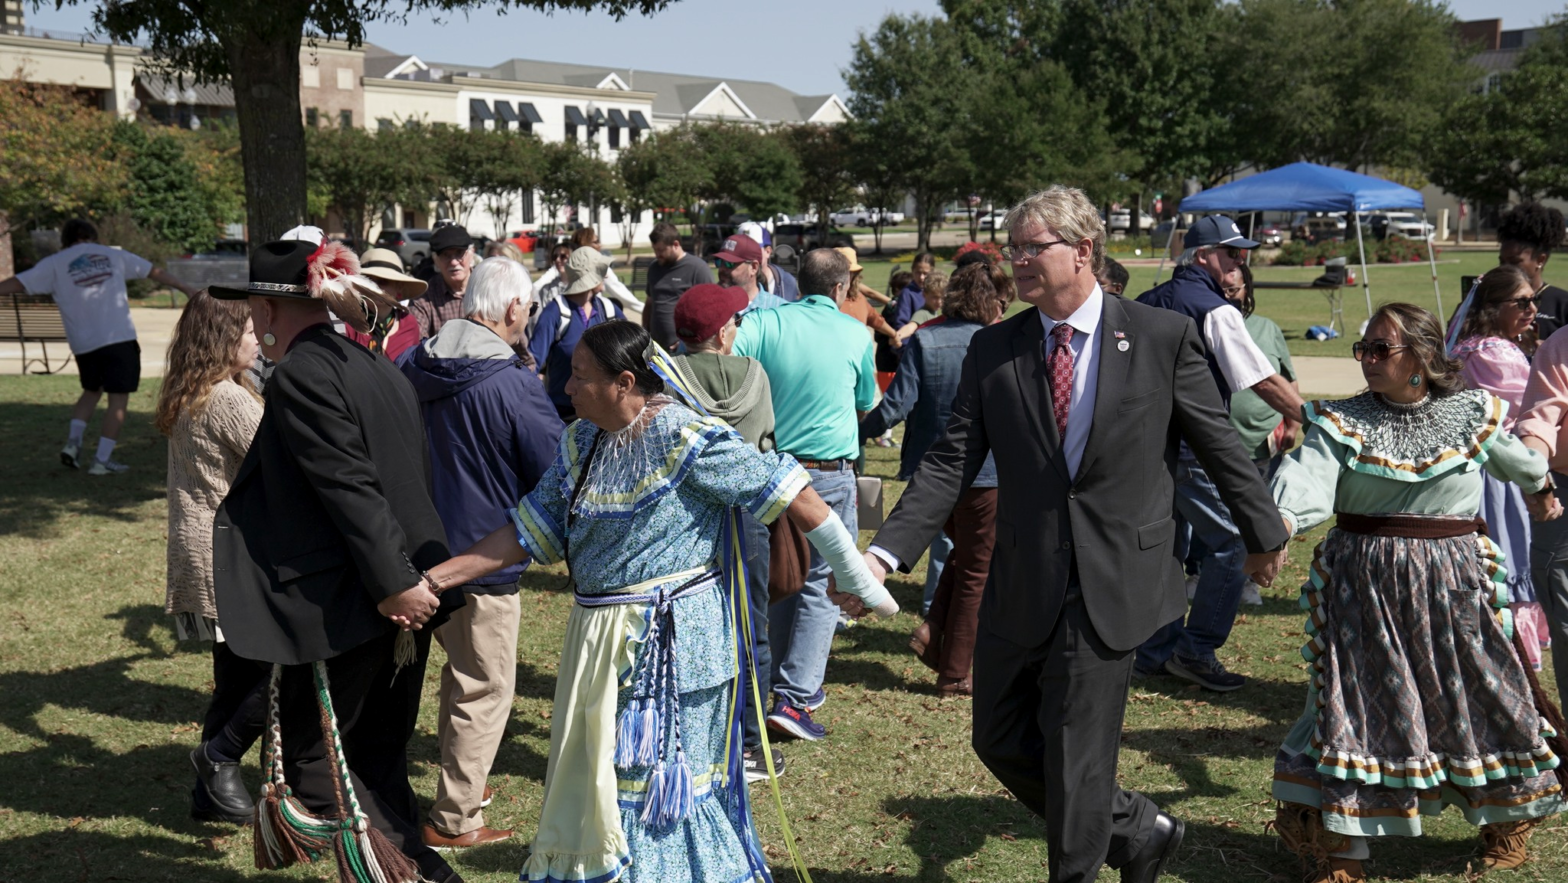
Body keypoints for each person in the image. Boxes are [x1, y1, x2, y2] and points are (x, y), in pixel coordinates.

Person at [854, 186, 1289, 883]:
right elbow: (950, 459)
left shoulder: (1159, 336)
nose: (1017, 261)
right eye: (1013, 248)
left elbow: (1217, 443)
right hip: (1023, 574)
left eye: (1034, 247)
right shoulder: (997, 347)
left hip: (1112, 580)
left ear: (1083, 250)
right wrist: (882, 551)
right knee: (998, 738)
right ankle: (1138, 828)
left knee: (1078, 756)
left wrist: (1262, 532)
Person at [418, 320, 894, 883]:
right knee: (601, 783)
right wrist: (434, 580)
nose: (565, 387)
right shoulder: (581, 442)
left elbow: (791, 491)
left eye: (579, 376)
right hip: (596, 643)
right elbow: (527, 530)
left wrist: (856, 574)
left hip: (672, 648)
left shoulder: (686, 437)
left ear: (624, 382)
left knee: (659, 791)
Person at [1262, 302, 1564, 883]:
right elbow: (1306, 482)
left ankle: (1508, 819)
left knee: (1478, 697)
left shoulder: (1469, 412)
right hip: (1363, 588)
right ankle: (1338, 847)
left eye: (1382, 349)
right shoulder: (1341, 422)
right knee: (1349, 707)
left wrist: (1541, 486)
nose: (1368, 360)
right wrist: (1276, 525)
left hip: (1452, 583)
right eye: (1363, 349)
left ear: (1422, 358)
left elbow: (1518, 462)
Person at [210, 238, 462, 883]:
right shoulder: (367, 361)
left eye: (253, 309)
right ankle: (415, 866)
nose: (250, 322)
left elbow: (351, 487)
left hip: (358, 600)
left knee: (323, 771)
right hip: (396, 591)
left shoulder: (302, 373)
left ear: (269, 310)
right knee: (373, 759)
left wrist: (392, 585)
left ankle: (410, 873)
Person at [397, 256, 564, 850]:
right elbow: (556, 472)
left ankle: (442, 792)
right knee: (482, 688)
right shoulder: (513, 383)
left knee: (443, 684)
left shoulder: (410, 361)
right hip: (480, 561)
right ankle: (456, 818)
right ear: (515, 309)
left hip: (404, 556)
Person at [1133, 214, 1307, 692]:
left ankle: (1153, 651)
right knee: (1234, 541)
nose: (1240, 261)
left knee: (1167, 547)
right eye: (1232, 253)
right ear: (1205, 256)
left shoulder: (1147, 301)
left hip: (1147, 445)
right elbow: (1263, 381)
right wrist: (1315, 417)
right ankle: (1195, 650)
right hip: (1193, 445)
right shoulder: (1215, 309)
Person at [733, 248, 879, 742]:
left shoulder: (766, 322)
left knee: (777, 576)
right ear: (840, 289)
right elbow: (866, 400)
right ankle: (795, 699)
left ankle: (774, 683)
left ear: (798, 285)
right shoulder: (856, 333)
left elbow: (728, 352)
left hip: (773, 469)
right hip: (829, 475)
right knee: (822, 585)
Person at [862, 263, 1008, 697]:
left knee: (966, 559)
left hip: (932, 475)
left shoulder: (926, 339)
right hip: (987, 475)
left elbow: (895, 407)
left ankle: (933, 633)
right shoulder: (999, 343)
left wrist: (856, 434)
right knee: (976, 571)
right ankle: (956, 671)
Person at [154, 290, 266, 826]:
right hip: (227, 556)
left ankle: (208, 796)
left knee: (236, 678)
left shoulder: (193, 389)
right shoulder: (227, 399)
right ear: (222, 339)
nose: (256, 339)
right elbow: (286, 459)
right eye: (246, 331)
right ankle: (217, 756)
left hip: (203, 551)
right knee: (270, 673)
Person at [665, 283, 782, 780]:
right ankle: (752, 743)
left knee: (684, 625)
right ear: (720, 332)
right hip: (746, 513)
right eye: (732, 320)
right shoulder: (754, 374)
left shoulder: (668, 377)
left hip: (685, 518)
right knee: (751, 624)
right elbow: (769, 441)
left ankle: (686, 737)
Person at [0, 218, 197, 474]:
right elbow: (153, 271)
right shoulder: (112, 256)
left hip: (84, 344)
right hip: (118, 339)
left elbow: (17, 283)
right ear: (93, 236)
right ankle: (101, 461)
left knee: (91, 391)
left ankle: (73, 444)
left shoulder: (55, 264)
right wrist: (185, 287)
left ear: (66, 239)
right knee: (118, 400)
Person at [1452, 265, 1549, 670]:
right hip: (1501, 471)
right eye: (1522, 302)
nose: (1532, 309)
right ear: (1492, 307)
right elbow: (1530, 403)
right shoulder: (1496, 353)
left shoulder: (1467, 346)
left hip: (1475, 470)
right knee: (1509, 558)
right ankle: (1512, 651)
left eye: (1535, 301)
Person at [530, 246, 625, 420]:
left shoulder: (609, 310)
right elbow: (532, 364)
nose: (606, 275)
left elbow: (635, 351)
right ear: (590, 278)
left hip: (605, 414)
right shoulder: (555, 312)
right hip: (564, 415)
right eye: (601, 270)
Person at [1494, 202, 1568, 338]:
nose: (1505, 268)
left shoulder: (1563, 304)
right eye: (1502, 261)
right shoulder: (1492, 300)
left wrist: (1548, 353)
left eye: (1514, 262)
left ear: (1540, 260)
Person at [348, 246, 426, 362]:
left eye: (383, 281)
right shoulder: (349, 322)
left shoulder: (408, 324)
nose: (374, 286)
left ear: (398, 288)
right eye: (368, 280)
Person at [643, 221, 713, 351]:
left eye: (661, 250)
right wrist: (644, 333)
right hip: (655, 348)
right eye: (655, 250)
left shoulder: (698, 269)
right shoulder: (654, 268)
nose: (657, 254)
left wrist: (684, 343)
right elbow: (649, 303)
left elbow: (709, 311)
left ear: (675, 244)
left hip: (684, 349)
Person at [558, 226, 643, 324]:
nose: (600, 245)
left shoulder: (568, 265)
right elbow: (621, 294)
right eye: (596, 242)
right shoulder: (598, 267)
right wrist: (646, 309)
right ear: (584, 245)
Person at [407, 223, 477, 340]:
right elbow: (416, 341)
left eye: (459, 253)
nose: (454, 262)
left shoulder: (489, 288)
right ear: (435, 260)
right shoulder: (425, 298)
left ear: (472, 253)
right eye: (446, 255)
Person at [834, 247, 899, 345]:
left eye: (850, 272)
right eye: (842, 272)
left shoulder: (859, 298)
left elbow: (876, 320)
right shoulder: (825, 301)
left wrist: (895, 335)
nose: (847, 276)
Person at [712, 234, 785, 315]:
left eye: (729, 263)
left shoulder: (778, 310)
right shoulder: (710, 307)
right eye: (719, 262)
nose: (722, 269)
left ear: (754, 268)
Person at [737, 220, 800, 302]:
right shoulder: (730, 281)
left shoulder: (786, 283)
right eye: (740, 248)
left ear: (768, 251)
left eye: (753, 248)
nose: (746, 253)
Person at [896, 270, 947, 344]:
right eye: (935, 297)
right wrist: (898, 336)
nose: (939, 301)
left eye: (942, 297)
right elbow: (911, 327)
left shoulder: (933, 312)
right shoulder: (922, 313)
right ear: (924, 295)